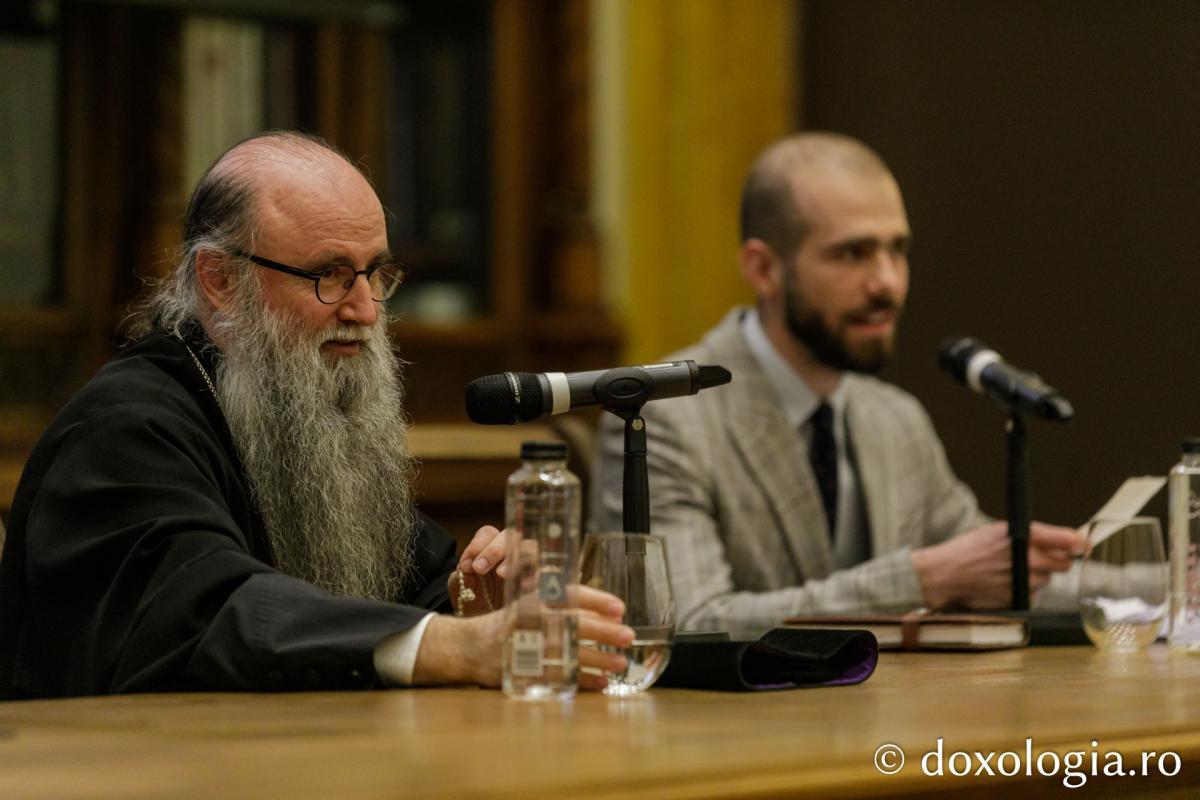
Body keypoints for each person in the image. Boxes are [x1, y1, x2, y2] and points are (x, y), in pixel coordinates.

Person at [0, 131, 632, 699]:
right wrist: (457, 646)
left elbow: (408, 591)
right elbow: (209, 616)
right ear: (219, 280)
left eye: (376, 274)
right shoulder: (123, 431)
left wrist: (474, 605)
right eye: (329, 276)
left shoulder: (303, 412)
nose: (365, 309)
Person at [590, 132, 1083, 638]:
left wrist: (1162, 578)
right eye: (853, 254)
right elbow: (685, 622)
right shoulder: (668, 418)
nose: (887, 283)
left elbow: (1006, 572)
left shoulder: (894, 419)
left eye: (898, 250)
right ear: (763, 269)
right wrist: (922, 581)